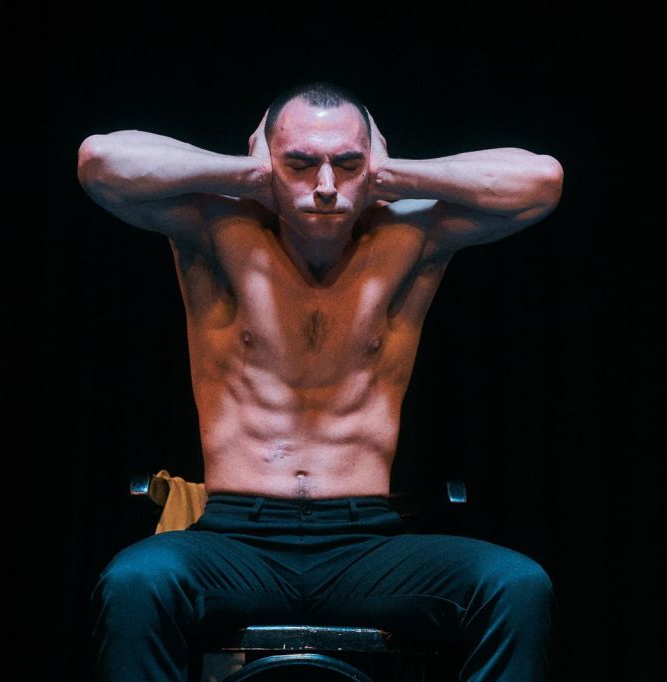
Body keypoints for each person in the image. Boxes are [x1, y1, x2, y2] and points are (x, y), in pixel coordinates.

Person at [78, 80, 564, 681]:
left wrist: (389, 176)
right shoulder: (216, 227)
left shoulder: (409, 235)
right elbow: (100, 162)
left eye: (348, 164)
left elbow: (541, 181)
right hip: (235, 540)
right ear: (267, 163)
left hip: (363, 545)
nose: (327, 186)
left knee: (517, 585)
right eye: (301, 164)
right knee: (134, 582)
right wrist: (251, 176)